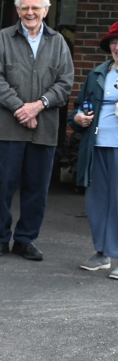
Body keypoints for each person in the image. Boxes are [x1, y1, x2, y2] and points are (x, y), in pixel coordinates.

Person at [0, 0, 74, 261]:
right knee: (4, 185)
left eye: (36, 8)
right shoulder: (3, 39)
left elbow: (65, 82)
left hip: (44, 129)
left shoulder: (58, 42)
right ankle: (0, 237)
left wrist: (38, 105)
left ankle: (26, 239)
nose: (31, 12)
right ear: (18, 10)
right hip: (8, 127)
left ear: (46, 10)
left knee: (37, 188)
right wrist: (21, 108)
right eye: (25, 7)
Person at [67, 21, 118, 279]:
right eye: (114, 41)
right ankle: (102, 252)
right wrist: (78, 118)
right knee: (97, 201)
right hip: (97, 146)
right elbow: (79, 107)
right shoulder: (98, 74)